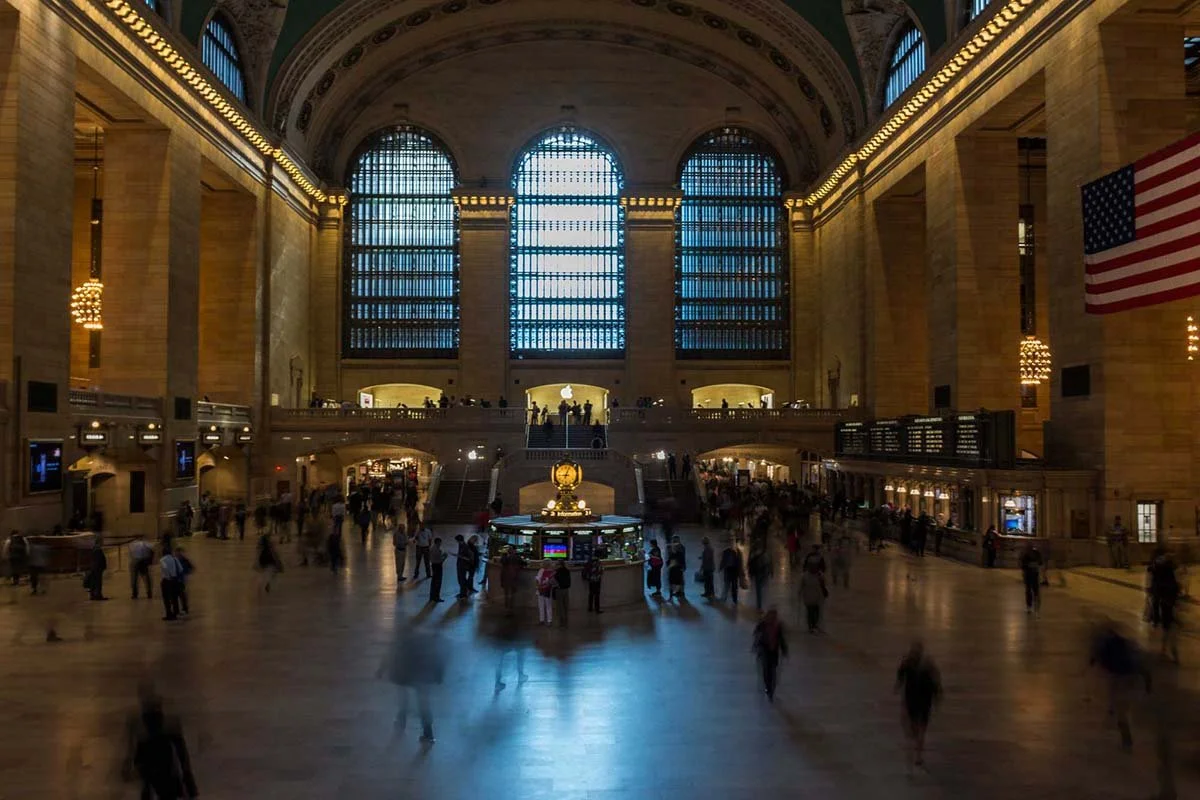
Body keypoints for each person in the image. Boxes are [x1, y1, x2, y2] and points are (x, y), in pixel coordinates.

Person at [124, 684, 198, 799]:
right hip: (163, 771)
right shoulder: (168, 727)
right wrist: (188, 779)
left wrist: (130, 765)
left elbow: (134, 750)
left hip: (154, 772)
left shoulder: (141, 728)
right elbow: (182, 753)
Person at [1090, 619, 1150, 750]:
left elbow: (1098, 656)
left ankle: (1126, 737)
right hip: (1128, 676)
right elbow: (1138, 660)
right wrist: (1146, 682)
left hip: (1118, 675)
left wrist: (1094, 663)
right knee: (1121, 703)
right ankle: (1116, 712)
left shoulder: (1106, 644)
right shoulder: (1125, 643)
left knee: (1120, 707)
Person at [378, 627, 444, 744]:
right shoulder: (425, 642)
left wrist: (381, 670)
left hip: (404, 676)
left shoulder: (400, 641)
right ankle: (428, 734)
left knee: (403, 702)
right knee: (423, 706)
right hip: (421, 678)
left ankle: (400, 724)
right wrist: (438, 676)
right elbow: (436, 658)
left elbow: (389, 656)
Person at [895, 642, 942, 770]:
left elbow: (900, 678)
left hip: (913, 700)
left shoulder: (908, 663)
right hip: (925, 701)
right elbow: (936, 682)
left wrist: (897, 687)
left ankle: (916, 749)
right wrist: (937, 697)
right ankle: (918, 755)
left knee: (916, 726)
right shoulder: (928, 665)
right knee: (922, 728)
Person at [1147, 548, 1181, 663]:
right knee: (1169, 626)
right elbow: (1174, 587)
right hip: (1167, 601)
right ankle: (1169, 649)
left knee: (1167, 625)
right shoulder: (1168, 572)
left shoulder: (1159, 570)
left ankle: (1164, 648)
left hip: (1163, 599)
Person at [752, 609, 788, 701]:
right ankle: (768, 687)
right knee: (766, 670)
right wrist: (755, 646)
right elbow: (756, 635)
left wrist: (784, 650)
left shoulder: (778, 626)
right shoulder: (762, 625)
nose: (772, 618)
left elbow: (781, 639)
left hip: (774, 652)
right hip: (764, 650)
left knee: (773, 671)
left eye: (774, 616)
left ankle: (771, 688)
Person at [800, 563, 826, 633]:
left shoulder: (820, 575)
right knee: (810, 612)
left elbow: (823, 585)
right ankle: (811, 626)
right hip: (808, 597)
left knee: (816, 612)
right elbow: (801, 586)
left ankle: (815, 625)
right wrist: (800, 593)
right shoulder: (804, 576)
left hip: (817, 597)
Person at [159, 549, 185, 621]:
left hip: (167, 580)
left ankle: (169, 614)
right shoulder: (175, 559)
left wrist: (168, 576)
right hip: (175, 580)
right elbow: (180, 569)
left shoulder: (162, 560)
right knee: (174, 597)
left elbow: (165, 568)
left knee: (166, 598)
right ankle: (175, 613)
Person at [1019, 542, 1043, 615]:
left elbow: (1040, 562)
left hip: (1033, 574)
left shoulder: (1035, 553)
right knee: (1029, 590)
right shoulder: (1026, 554)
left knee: (1034, 590)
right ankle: (1030, 605)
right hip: (1029, 574)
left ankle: (1034, 605)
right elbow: (1023, 565)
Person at [499, 547, 524, 611]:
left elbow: (501, 563)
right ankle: (510, 609)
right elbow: (523, 563)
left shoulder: (504, 557)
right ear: (514, 551)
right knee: (512, 594)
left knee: (506, 594)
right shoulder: (517, 557)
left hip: (505, 577)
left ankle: (506, 608)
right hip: (513, 578)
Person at [747, 545, 771, 611]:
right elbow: (768, 563)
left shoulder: (752, 554)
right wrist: (769, 572)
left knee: (759, 591)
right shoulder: (765, 554)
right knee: (763, 589)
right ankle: (763, 605)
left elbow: (749, 564)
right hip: (763, 573)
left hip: (757, 574)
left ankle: (759, 605)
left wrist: (750, 574)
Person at [535, 561, 556, 625]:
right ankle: (542, 620)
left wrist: (546, 585)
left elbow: (552, 581)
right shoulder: (541, 570)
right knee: (541, 605)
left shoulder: (553, 572)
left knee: (548, 605)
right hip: (540, 590)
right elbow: (537, 579)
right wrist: (538, 586)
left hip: (547, 590)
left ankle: (549, 620)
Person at [554, 560, 572, 627]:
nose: (556, 565)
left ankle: (562, 622)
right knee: (565, 606)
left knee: (560, 606)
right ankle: (566, 621)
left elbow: (554, 581)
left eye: (557, 564)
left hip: (559, 590)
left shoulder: (557, 572)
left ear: (560, 565)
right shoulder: (567, 571)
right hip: (566, 590)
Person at [428, 537, 447, 602]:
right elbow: (440, 560)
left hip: (433, 565)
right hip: (437, 566)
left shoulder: (432, 548)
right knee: (438, 582)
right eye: (440, 542)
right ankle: (436, 597)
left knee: (433, 582)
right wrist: (445, 556)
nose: (441, 544)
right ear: (438, 542)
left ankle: (432, 596)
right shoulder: (437, 550)